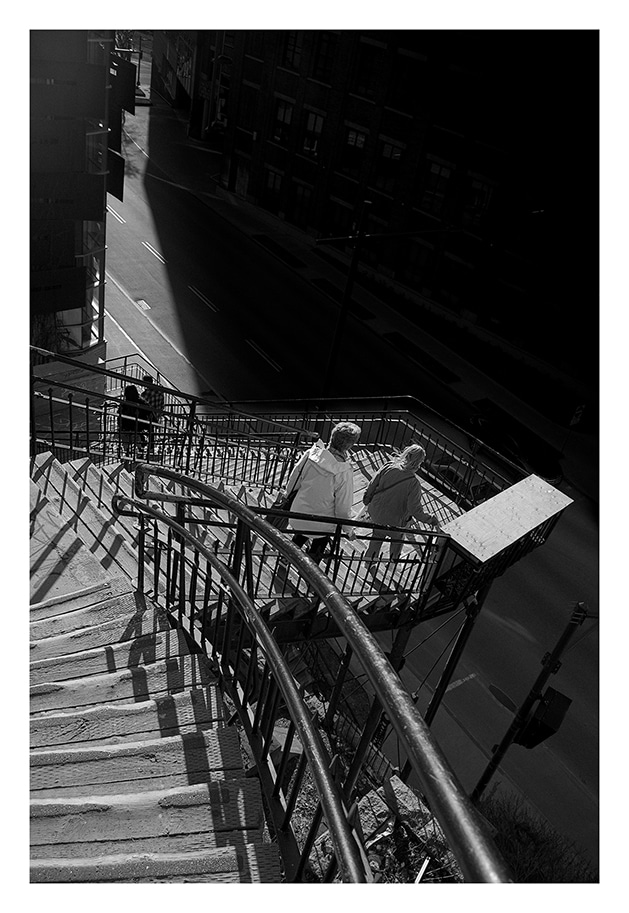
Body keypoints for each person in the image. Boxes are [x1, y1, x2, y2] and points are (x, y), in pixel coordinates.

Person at [283, 421, 362, 564]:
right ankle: (311, 572)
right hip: (321, 524)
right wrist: (348, 531)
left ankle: (286, 559)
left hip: (298, 513)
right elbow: (343, 508)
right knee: (320, 538)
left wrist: (287, 496)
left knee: (301, 532)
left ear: (332, 437)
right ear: (350, 445)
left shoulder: (311, 454)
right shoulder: (343, 471)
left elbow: (294, 479)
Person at [362, 444, 439, 566]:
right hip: (396, 522)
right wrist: (431, 520)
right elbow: (415, 510)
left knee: (376, 537)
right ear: (419, 463)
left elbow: (372, 485)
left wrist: (366, 500)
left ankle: (368, 562)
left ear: (406, 454)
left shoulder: (388, 466)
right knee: (397, 541)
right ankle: (392, 564)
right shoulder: (414, 484)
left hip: (377, 513)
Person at [118, 385, 149, 458]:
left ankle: (127, 455)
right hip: (138, 427)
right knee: (138, 441)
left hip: (126, 427)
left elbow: (120, 416)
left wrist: (120, 426)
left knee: (126, 443)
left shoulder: (124, 404)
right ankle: (140, 453)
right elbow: (148, 413)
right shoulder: (141, 403)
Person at [140, 374, 165, 459]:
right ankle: (151, 448)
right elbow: (162, 404)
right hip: (156, 415)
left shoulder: (145, 394)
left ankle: (142, 447)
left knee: (140, 430)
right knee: (151, 432)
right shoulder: (159, 391)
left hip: (147, 416)